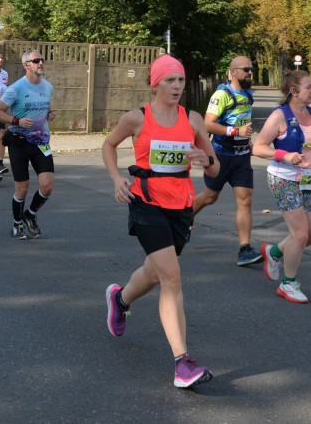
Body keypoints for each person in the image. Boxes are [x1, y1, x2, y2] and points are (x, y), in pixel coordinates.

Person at [101, 54, 220, 389]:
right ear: (155, 83)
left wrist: (204, 159)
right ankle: (183, 362)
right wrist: (116, 179)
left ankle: (120, 299)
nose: (177, 86)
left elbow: (215, 168)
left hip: (180, 205)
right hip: (145, 202)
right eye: (170, 80)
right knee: (172, 277)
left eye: (180, 80)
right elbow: (109, 145)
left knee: (154, 274)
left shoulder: (193, 119)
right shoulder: (137, 118)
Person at [252, 70, 311, 303]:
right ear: (294, 91)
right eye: (308, 87)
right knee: (300, 234)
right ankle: (288, 284)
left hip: (310, 180)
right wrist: (284, 155)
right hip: (284, 179)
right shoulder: (279, 116)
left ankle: (273, 252)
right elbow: (259, 147)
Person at [191, 56, 264, 266]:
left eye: (251, 69)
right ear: (233, 71)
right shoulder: (222, 94)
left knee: (245, 200)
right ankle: (186, 217)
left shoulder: (248, 95)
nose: (250, 73)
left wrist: (247, 140)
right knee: (210, 197)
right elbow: (208, 124)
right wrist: (236, 131)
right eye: (245, 69)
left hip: (241, 157)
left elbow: (244, 123)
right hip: (220, 155)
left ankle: (244, 249)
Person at [0, 50, 56, 239]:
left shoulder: (48, 87)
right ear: (26, 65)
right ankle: (17, 223)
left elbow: (44, 107)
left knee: (47, 186)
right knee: (22, 188)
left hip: (41, 142)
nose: (41, 63)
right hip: (19, 143)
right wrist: (16, 121)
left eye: (42, 59)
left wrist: (48, 115)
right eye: (36, 60)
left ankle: (30, 214)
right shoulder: (16, 88)